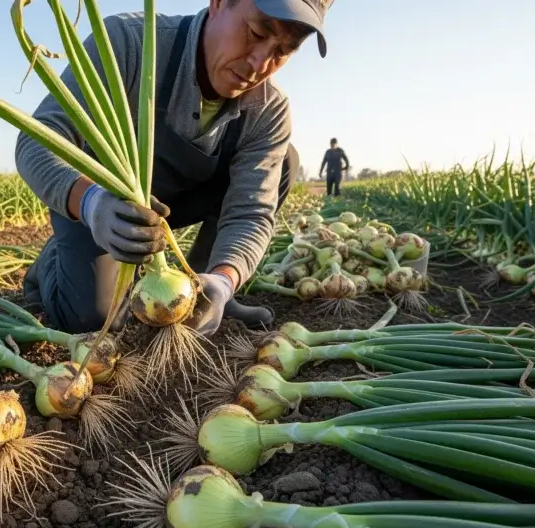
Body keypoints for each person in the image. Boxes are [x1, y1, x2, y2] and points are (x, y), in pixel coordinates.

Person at [17, 0, 334, 337]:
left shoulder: (268, 109)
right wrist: (91, 205)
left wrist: (224, 281)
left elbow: (250, 212)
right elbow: (38, 141)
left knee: (285, 162)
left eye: (283, 51)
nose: (260, 63)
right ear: (219, 3)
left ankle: (199, 285)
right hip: (106, 208)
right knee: (92, 318)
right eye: (256, 32)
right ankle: (54, 262)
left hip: (176, 204)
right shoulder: (128, 42)